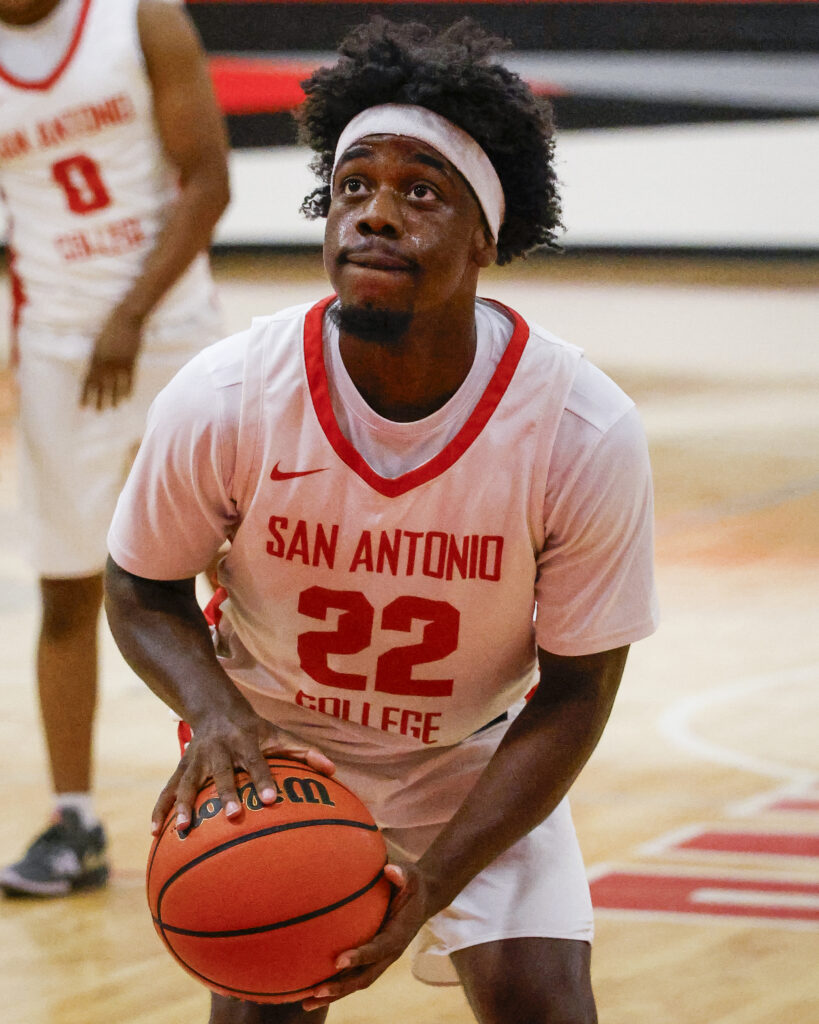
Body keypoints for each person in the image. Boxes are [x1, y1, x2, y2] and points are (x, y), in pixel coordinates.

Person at [104, 17, 658, 1024]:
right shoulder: (230, 393)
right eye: (353, 187)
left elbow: (577, 693)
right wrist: (222, 713)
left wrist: (429, 892)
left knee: (551, 1011)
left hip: (473, 758)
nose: (376, 215)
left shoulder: (580, 427)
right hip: (282, 748)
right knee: (264, 1005)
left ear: (487, 236)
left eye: (420, 192)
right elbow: (140, 584)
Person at [0, 0, 230, 897]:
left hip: (171, 330)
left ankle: (285, 779)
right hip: (57, 345)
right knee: (66, 590)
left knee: (241, 576)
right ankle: (75, 825)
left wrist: (130, 316)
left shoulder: (141, 19)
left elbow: (208, 181)